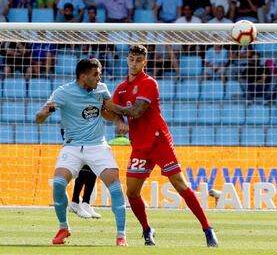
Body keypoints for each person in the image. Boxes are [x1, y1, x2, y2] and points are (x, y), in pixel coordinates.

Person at [103, 45, 219, 247]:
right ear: (127, 60)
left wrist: (115, 109)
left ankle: (207, 229)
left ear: (144, 62)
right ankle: (147, 230)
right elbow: (109, 112)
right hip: (139, 146)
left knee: (180, 184)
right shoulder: (121, 89)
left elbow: (137, 112)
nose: (134, 63)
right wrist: (117, 120)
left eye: (138, 60)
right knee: (131, 192)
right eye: (131, 59)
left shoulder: (149, 83)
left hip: (158, 141)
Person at [35, 58, 129, 246]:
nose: (99, 77)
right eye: (96, 74)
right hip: (72, 146)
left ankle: (121, 235)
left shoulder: (101, 89)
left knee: (116, 188)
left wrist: (118, 121)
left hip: (98, 146)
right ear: (83, 76)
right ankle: (64, 228)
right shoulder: (63, 92)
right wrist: (45, 112)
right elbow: (38, 118)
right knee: (59, 184)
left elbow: (106, 112)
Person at [59, 127, 102, 219]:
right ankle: (75, 202)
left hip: (86, 134)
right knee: (83, 169)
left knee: (92, 167)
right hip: (74, 136)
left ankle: (86, 203)